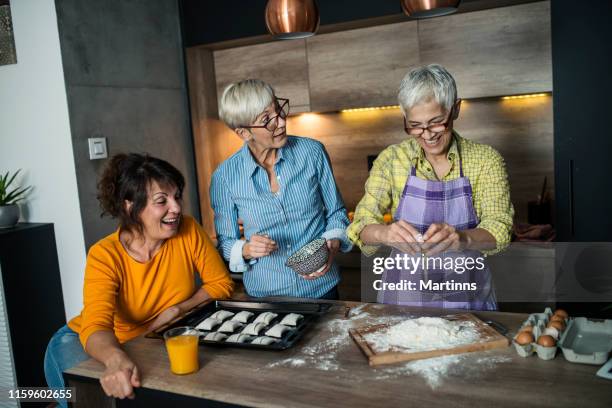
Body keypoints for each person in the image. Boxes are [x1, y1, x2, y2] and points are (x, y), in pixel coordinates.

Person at [44, 153, 234, 406]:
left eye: (176, 196)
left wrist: (177, 310)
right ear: (130, 206)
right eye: (161, 200)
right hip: (85, 341)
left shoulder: (188, 230)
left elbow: (220, 283)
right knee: (84, 401)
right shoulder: (105, 254)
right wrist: (115, 360)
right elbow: (96, 326)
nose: (176, 208)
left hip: (149, 340)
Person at [347, 64, 514, 310]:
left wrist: (463, 238)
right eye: (415, 125)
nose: (427, 135)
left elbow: (500, 229)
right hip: (403, 298)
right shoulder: (392, 160)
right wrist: (384, 233)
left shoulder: (485, 160)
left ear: (455, 109)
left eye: (436, 123)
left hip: (467, 297)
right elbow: (360, 225)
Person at [210, 79, 352, 299]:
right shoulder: (224, 177)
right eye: (267, 120)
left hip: (322, 288)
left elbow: (337, 213)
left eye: (279, 110)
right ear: (243, 133)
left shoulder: (312, 152)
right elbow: (225, 244)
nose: (282, 122)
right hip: (266, 296)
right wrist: (246, 249)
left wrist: (332, 243)